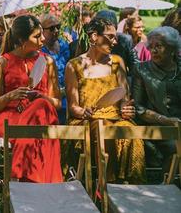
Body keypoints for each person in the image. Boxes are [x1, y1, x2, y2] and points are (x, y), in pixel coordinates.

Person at [65, 17, 146, 184]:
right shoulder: (74, 66)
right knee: (106, 129)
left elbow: (124, 98)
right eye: (110, 36)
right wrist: (83, 111)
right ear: (94, 37)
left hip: (116, 117)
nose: (115, 41)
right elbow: (73, 106)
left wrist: (125, 108)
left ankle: (133, 185)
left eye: (115, 36)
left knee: (132, 132)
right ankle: (107, 183)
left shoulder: (117, 62)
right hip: (87, 119)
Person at [0, 15, 63, 183]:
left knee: (41, 105)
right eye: (37, 36)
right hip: (11, 117)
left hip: (43, 116)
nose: (43, 39)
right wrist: (11, 96)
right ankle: (42, 182)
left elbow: (57, 103)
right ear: (22, 40)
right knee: (41, 112)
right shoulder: (2, 62)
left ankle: (23, 178)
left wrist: (40, 96)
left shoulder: (48, 61)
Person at [133, 26, 181, 173]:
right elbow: (137, 107)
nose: (153, 51)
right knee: (176, 147)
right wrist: (166, 120)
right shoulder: (142, 70)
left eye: (158, 47)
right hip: (157, 128)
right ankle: (169, 187)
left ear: (172, 49)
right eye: (151, 47)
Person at [40, 14, 70, 124]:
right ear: (41, 30)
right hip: (49, 94)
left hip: (66, 93)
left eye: (58, 26)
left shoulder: (64, 45)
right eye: (52, 28)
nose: (56, 30)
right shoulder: (39, 50)